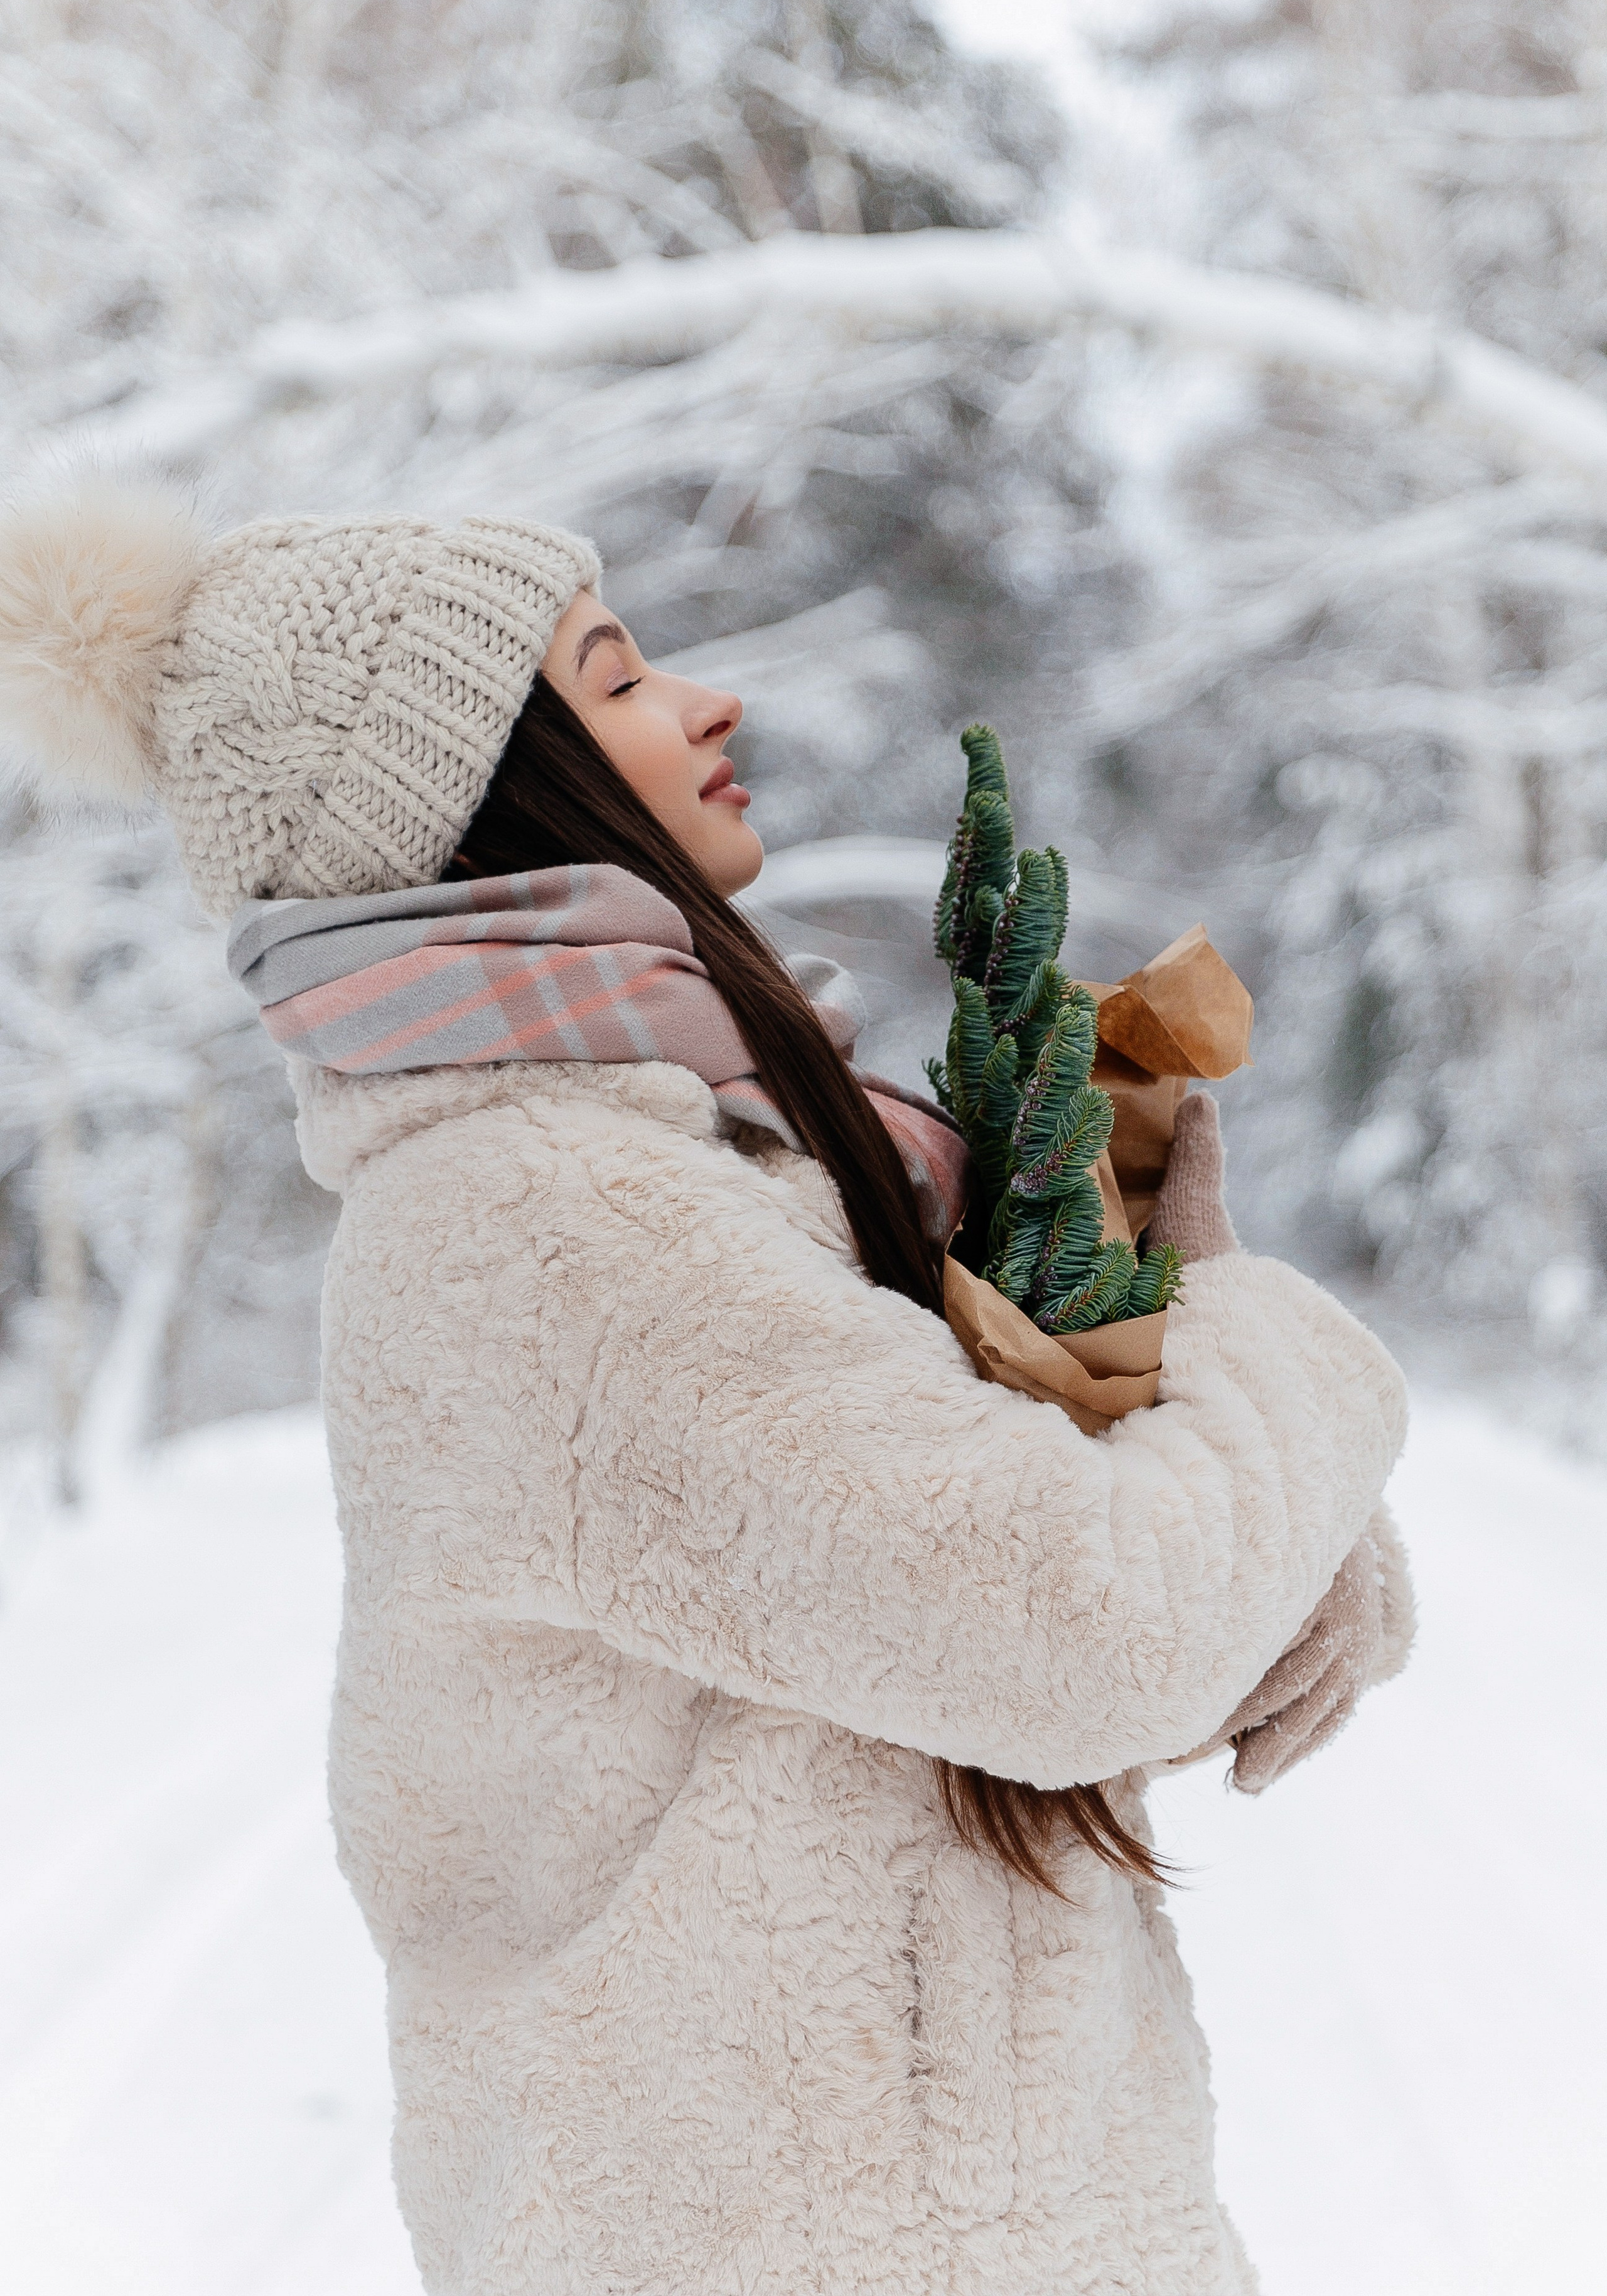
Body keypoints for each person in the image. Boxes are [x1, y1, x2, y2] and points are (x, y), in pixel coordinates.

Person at [0, 479, 1414, 2295]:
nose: (705, 701)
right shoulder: (552, 1224)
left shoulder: (712, 1153)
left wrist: (1288, 1558)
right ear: (495, 796)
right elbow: (1087, 1627)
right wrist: (1259, 1337)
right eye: (617, 679)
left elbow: (987, 1621)